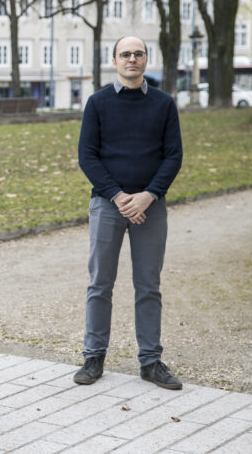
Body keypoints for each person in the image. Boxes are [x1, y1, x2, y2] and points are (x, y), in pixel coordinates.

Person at [74, 35, 183, 390]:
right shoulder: (97, 103)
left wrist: (148, 196)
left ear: (146, 59)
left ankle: (151, 362)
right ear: (114, 60)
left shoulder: (164, 104)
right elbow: (87, 156)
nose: (132, 59)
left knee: (148, 286)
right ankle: (94, 357)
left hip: (151, 207)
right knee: (99, 283)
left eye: (138, 54)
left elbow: (173, 156)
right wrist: (120, 197)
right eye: (126, 54)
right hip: (108, 205)